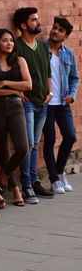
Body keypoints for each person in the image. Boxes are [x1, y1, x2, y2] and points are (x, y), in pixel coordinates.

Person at [13, 7, 54, 204]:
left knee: (35, 143)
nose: (38, 23)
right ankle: (27, 185)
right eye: (34, 20)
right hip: (27, 104)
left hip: (42, 101)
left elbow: (47, 72)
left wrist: (50, 92)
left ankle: (35, 182)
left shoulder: (43, 46)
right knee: (28, 144)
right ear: (23, 25)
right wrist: (19, 93)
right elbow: (11, 72)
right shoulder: (18, 47)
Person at [0, 29, 31, 206]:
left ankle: (5, 175)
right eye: (4, 41)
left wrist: (6, 83)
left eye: (11, 41)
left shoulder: (19, 61)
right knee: (3, 149)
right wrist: (15, 90)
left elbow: (28, 85)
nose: (9, 44)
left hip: (16, 108)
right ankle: (16, 190)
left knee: (23, 147)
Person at [43, 17, 79, 193]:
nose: (55, 31)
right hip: (47, 103)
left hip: (63, 103)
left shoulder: (68, 53)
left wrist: (72, 95)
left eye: (60, 30)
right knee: (49, 139)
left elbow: (74, 78)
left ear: (65, 36)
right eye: (54, 27)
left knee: (70, 136)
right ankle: (53, 179)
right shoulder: (41, 49)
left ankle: (59, 171)